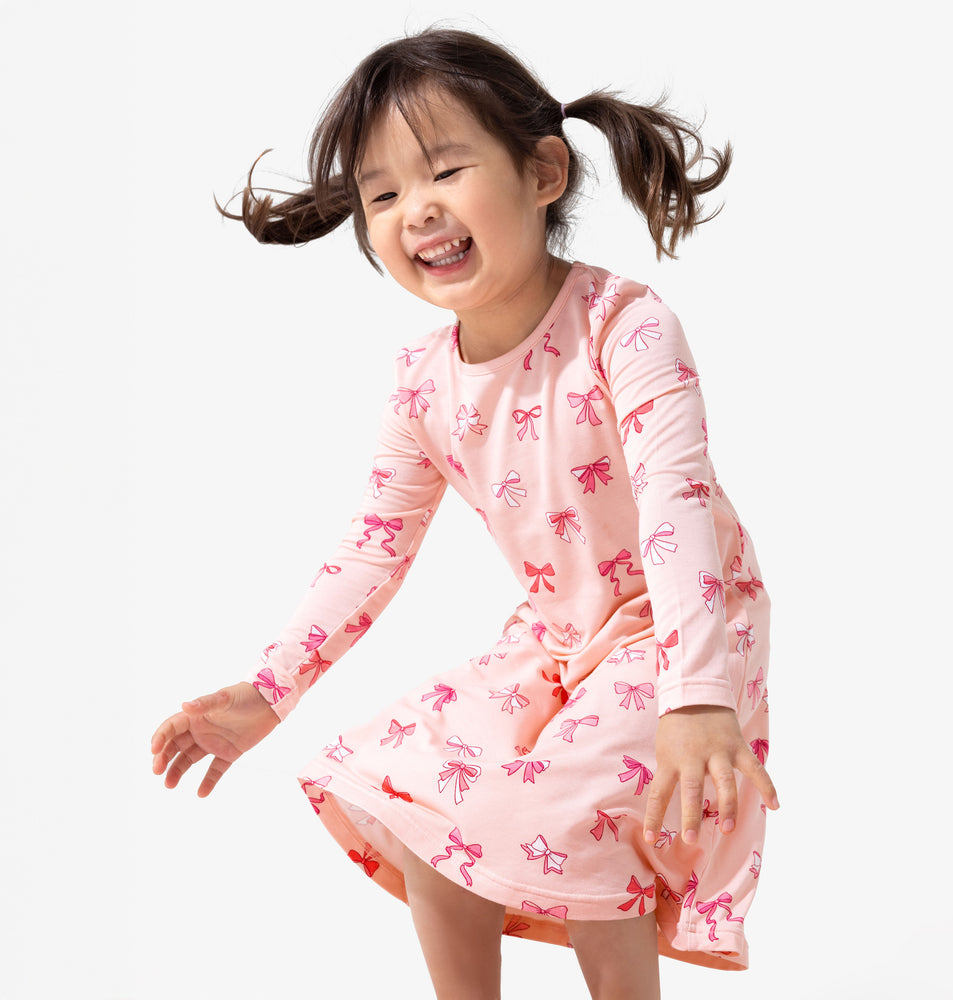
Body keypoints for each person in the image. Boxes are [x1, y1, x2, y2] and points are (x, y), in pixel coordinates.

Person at [150, 26, 779, 999]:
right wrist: (266, 692)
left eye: (445, 170)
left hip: (677, 628)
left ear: (542, 173)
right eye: (383, 194)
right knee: (424, 797)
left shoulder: (625, 327)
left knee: (572, 828)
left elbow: (675, 501)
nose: (419, 210)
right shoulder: (422, 384)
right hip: (560, 639)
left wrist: (697, 698)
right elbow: (370, 553)